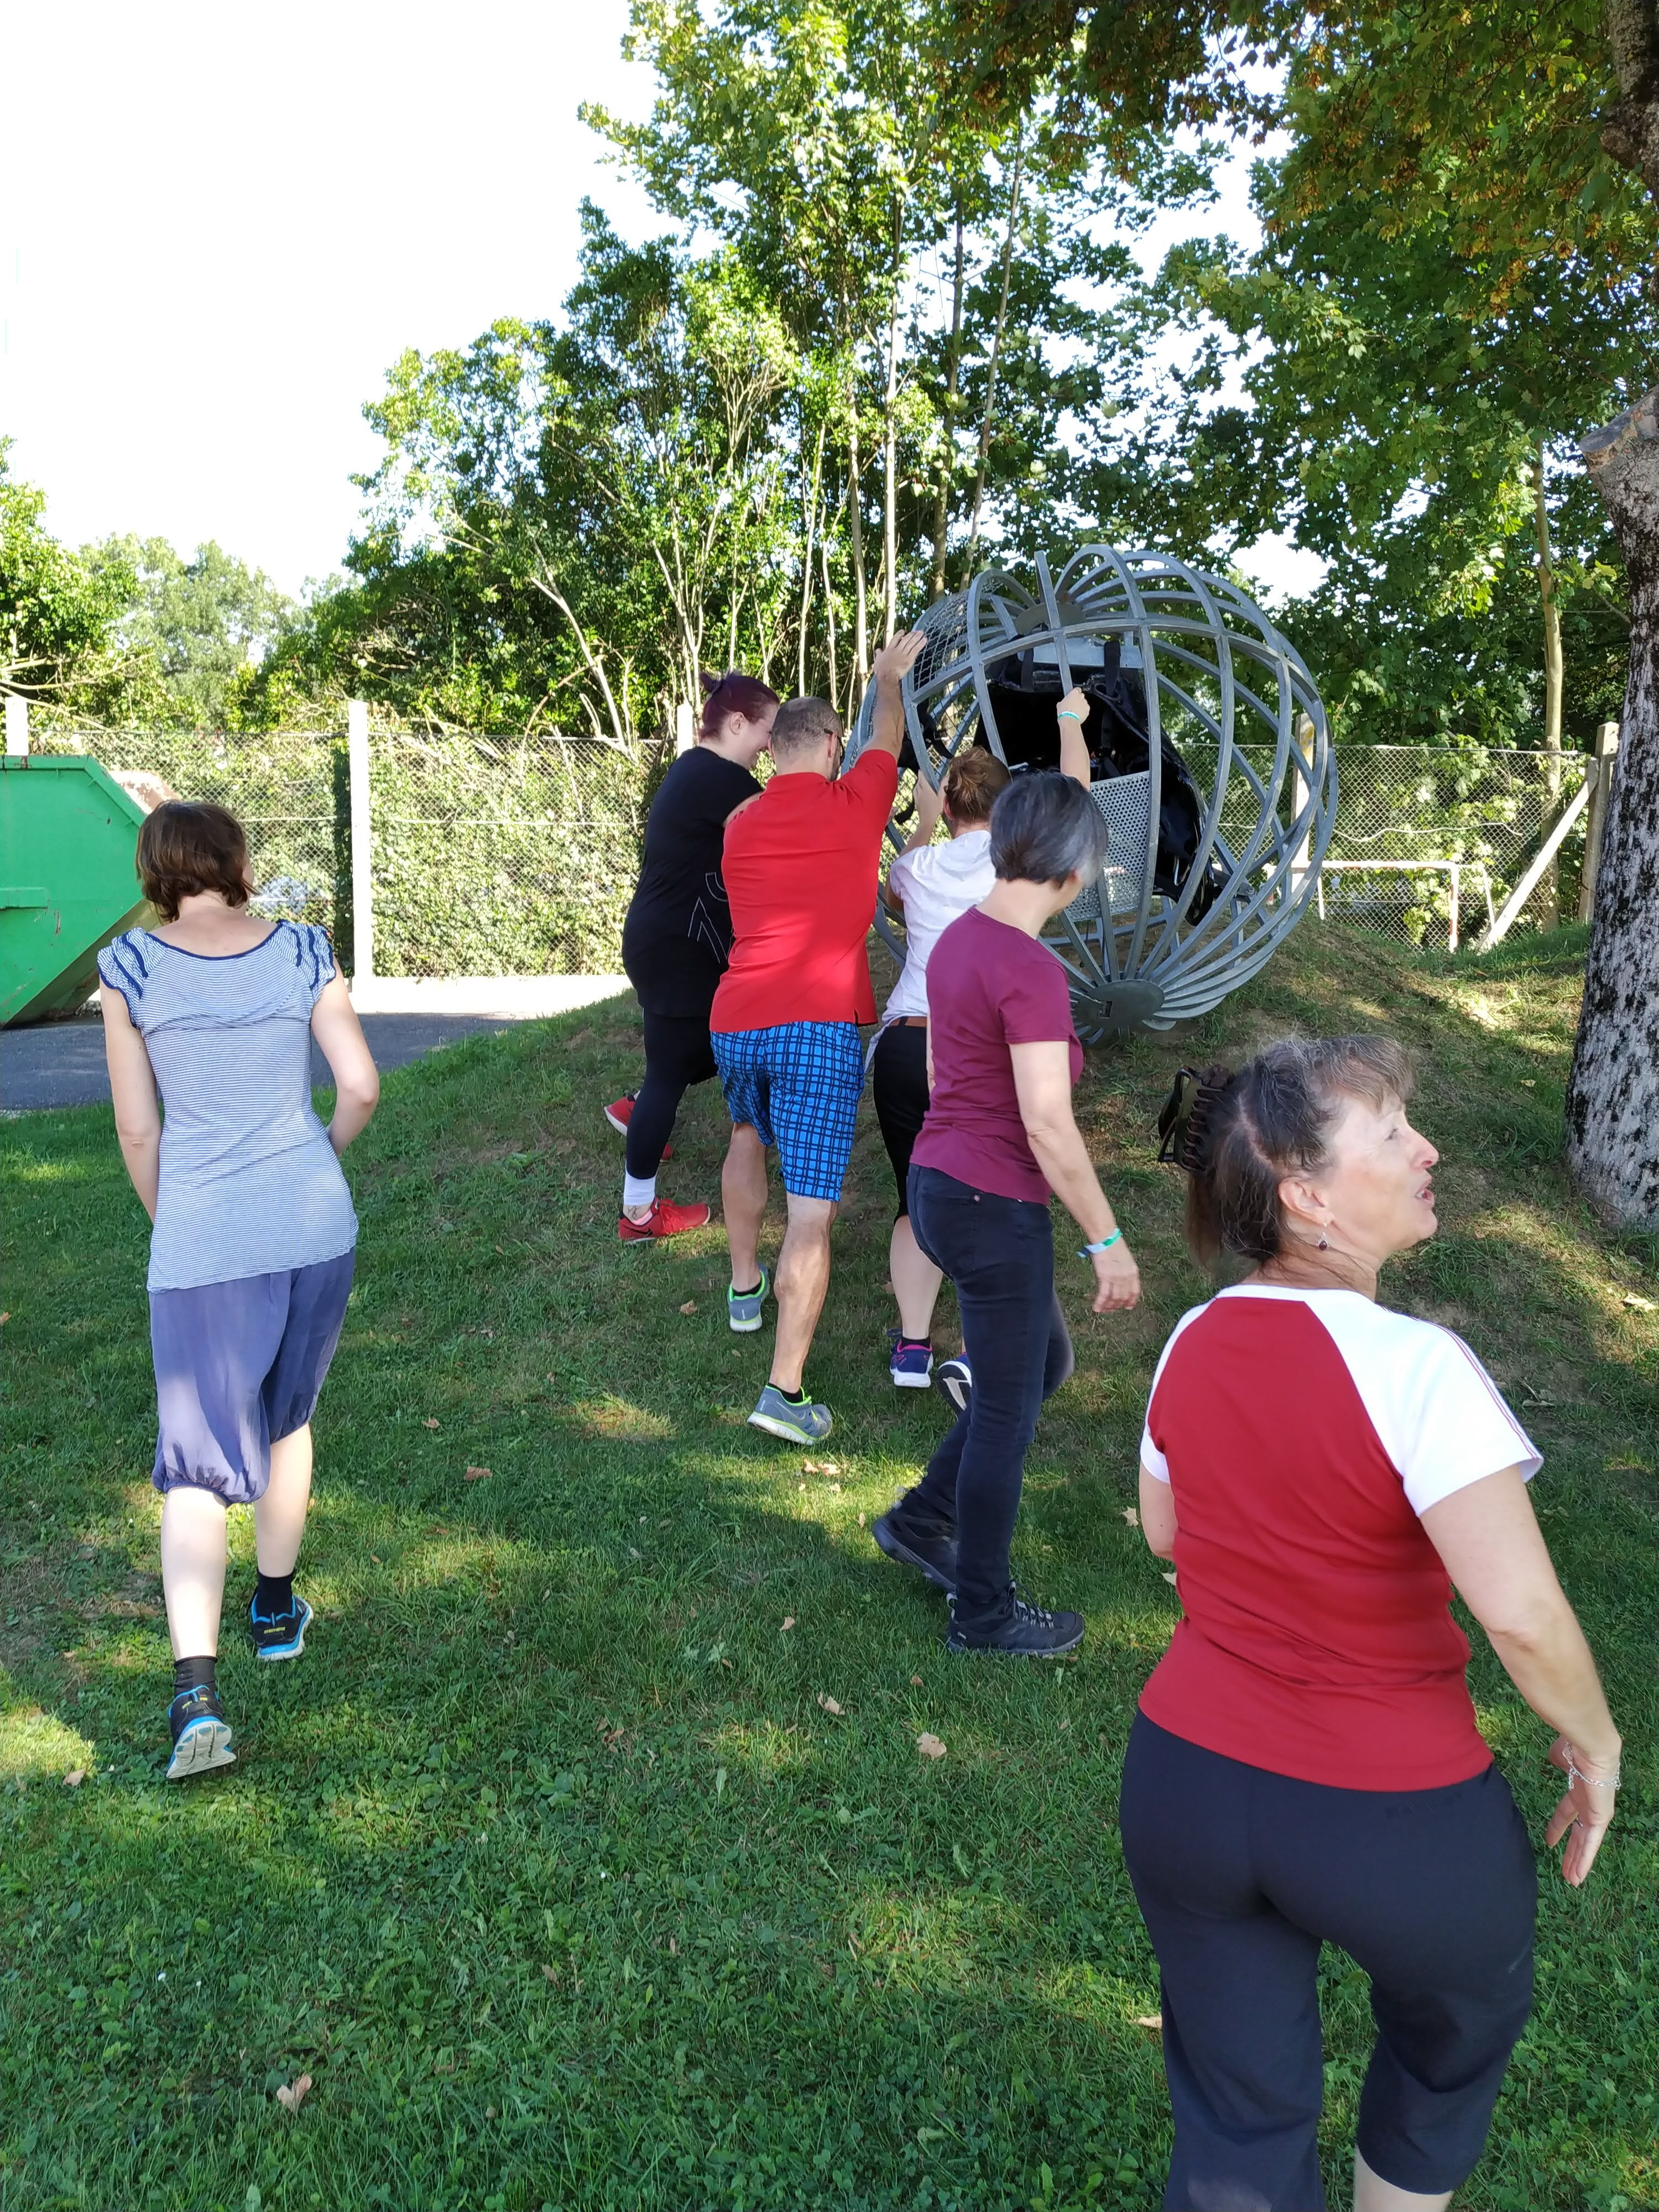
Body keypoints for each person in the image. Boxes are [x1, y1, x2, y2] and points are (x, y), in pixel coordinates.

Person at [1122, 1038, 1621, 2212]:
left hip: (1187, 1785)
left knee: (1237, 2112)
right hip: (1393, 1814)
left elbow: (1163, 1531)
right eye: (1393, 1131)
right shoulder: (1419, 1366)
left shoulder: (1193, 1335)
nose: (1426, 1148)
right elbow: (1522, 1616)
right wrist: (1596, 1743)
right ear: (1305, 1195)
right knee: (1456, 2037)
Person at [98, 801, 380, 1782]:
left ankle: (195, 1697)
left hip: (205, 1240)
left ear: (155, 871)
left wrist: (172, 1216)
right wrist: (316, 1160)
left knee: (195, 1466)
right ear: (236, 861)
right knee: (287, 1420)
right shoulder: (305, 950)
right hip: (315, 1228)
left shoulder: (130, 969)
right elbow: (360, 1087)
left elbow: (138, 1130)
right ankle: (274, 1608)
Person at [871, 765, 1142, 1655]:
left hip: (940, 1184)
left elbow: (943, 1073)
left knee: (1040, 1367)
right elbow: (1048, 1125)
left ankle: (921, 1518)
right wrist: (1107, 1240)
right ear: (1075, 870)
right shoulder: (1027, 967)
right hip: (989, 1204)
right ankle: (983, 1611)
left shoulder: (958, 939)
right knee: (1006, 1415)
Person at [711, 629, 927, 1444]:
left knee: (744, 1132)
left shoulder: (739, 823)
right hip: (815, 1026)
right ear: (833, 744)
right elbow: (889, 736)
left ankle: (743, 1288)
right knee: (810, 1217)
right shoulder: (858, 798)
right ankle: (784, 1392)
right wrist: (886, 679)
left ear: (772, 750)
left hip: (735, 1018)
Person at [607, 670, 779, 1239]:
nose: (770, 747)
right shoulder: (720, 778)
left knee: (709, 1046)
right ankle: (639, 1213)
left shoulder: (696, 769)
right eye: (769, 732)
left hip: (667, 938)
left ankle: (638, 1110)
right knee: (679, 1065)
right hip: (675, 946)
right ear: (738, 723)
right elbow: (787, 820)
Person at [873, 745, 1010, 1388]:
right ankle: (981, 1352)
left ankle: (912, 1349)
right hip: (972, 1051)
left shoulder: (919, 864)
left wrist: (924, 823)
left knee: (914, 1197)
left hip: (905, 1044)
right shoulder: (1016, 870)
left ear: (950, 805)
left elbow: (893, 896)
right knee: (986, 1199)